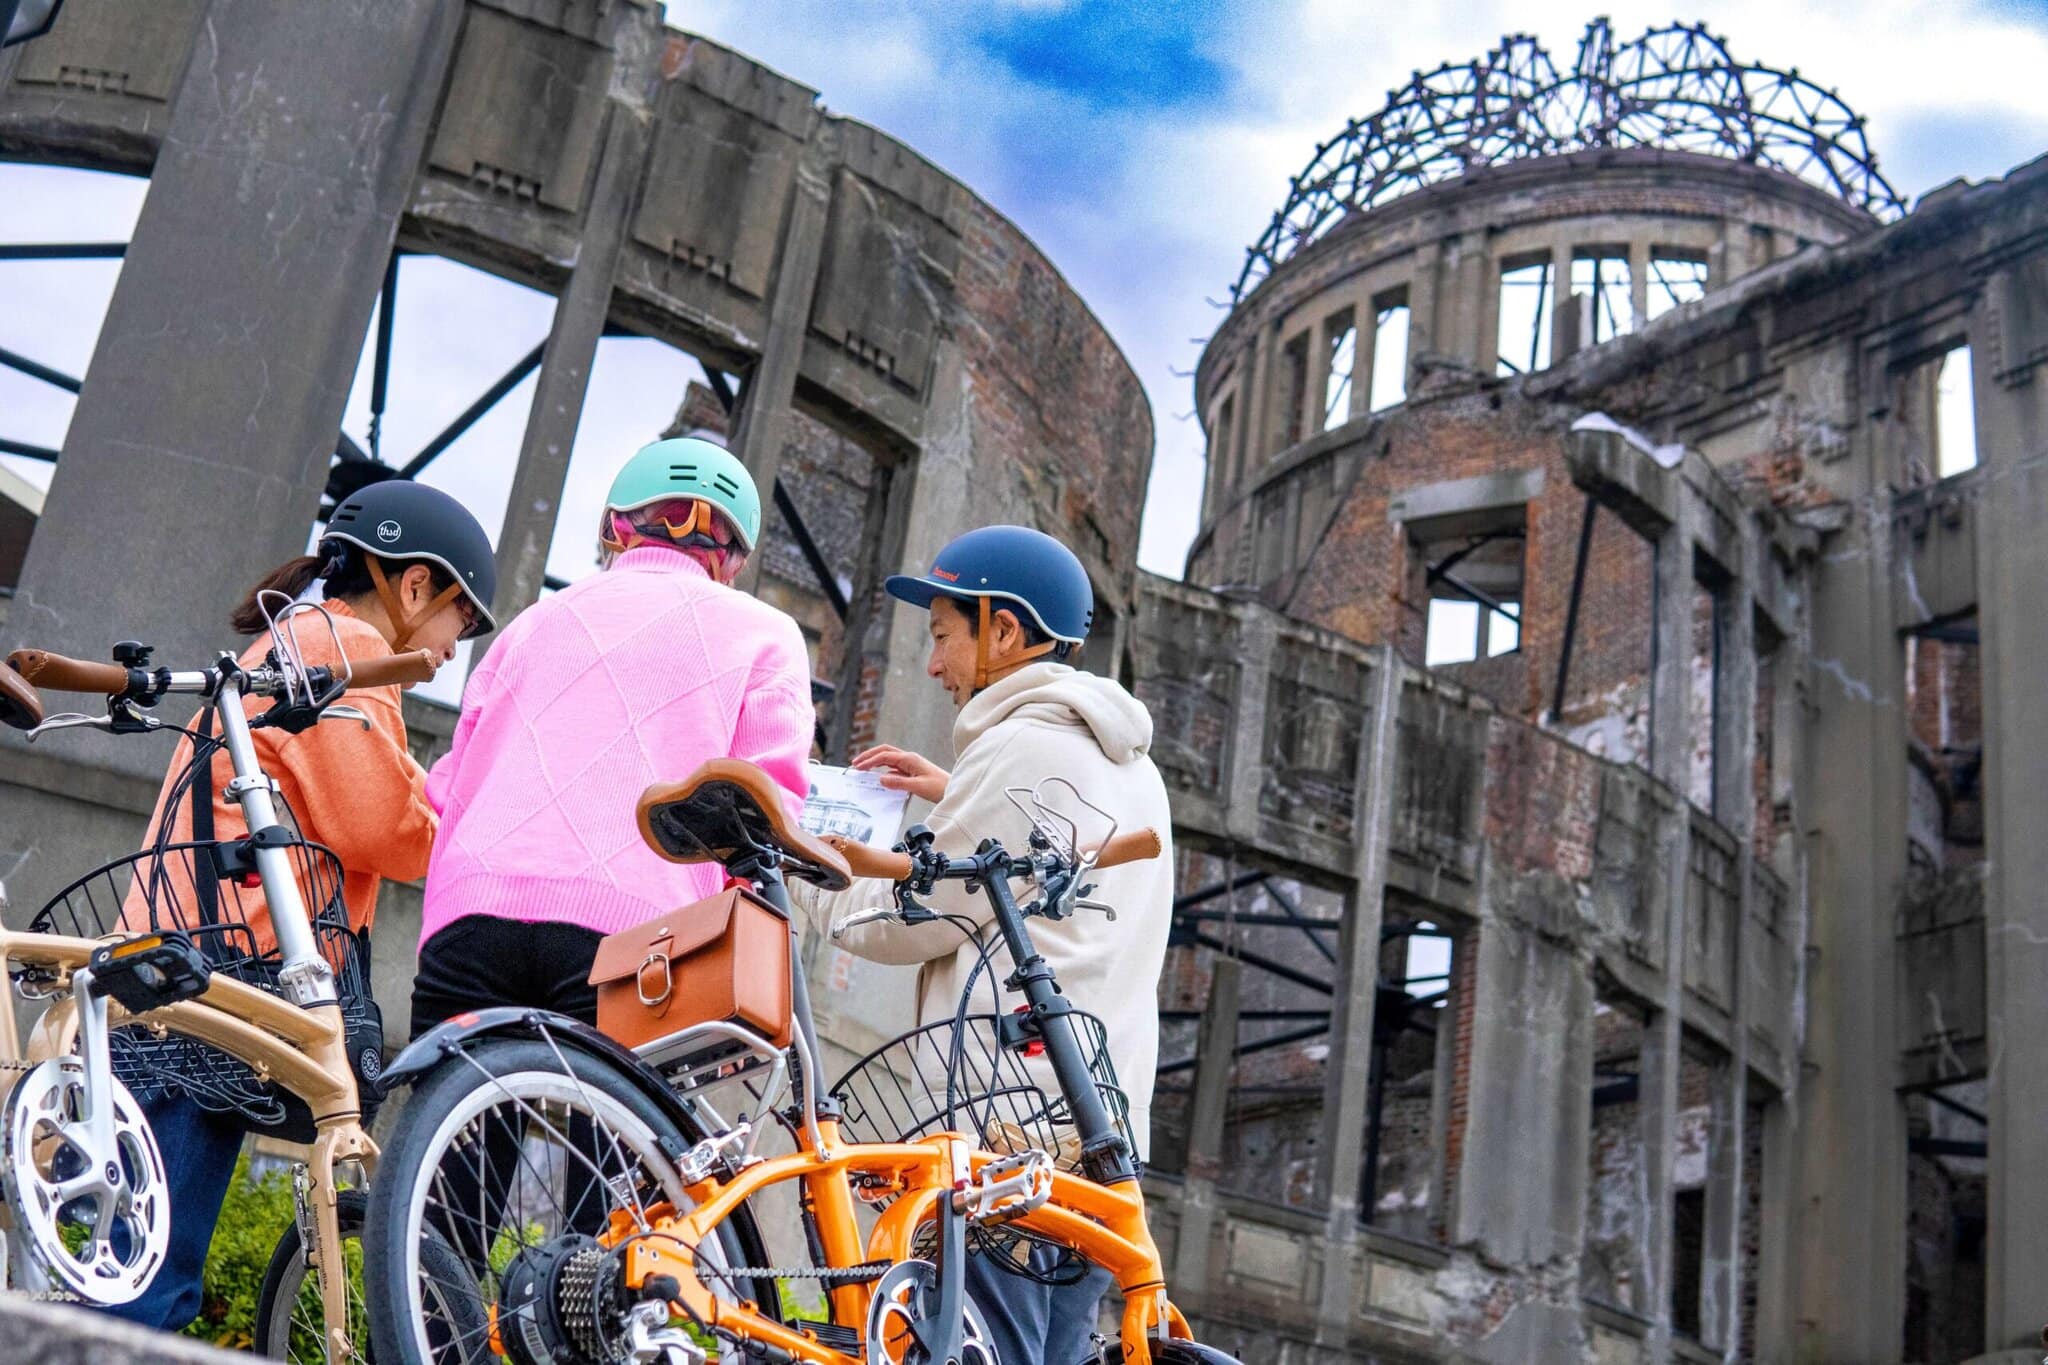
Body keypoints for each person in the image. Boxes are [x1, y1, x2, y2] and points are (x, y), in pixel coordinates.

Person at [107, 480, 497, 1332]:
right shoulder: (343, 645)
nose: (450, 649)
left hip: (181, 965)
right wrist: (489, 835)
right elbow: (385, 823)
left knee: (133, 1239)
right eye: (461, 622)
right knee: (150, 1277)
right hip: (215, 983)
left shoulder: (299, 637)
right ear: (417, 585)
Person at [810, 524, 1175, 1365]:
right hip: (1100, 1129)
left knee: (982, 1347)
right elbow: (1048, 859)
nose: (934, 663)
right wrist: (952, 792)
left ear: (1004, 631)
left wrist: (797, 868)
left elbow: (907, 921)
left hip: (1009, 1125)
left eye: (943, 634)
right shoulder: (1131, 765)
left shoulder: (1019, 749)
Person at [409, 435, 814, 1038]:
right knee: (611, 1127)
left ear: (617, 529)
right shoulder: (766, 634)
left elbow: (449, 786)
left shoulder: (534, 622)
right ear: (732, 559)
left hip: (471, 912)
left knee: (459, 1121)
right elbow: (765, 805)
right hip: (634, 934)